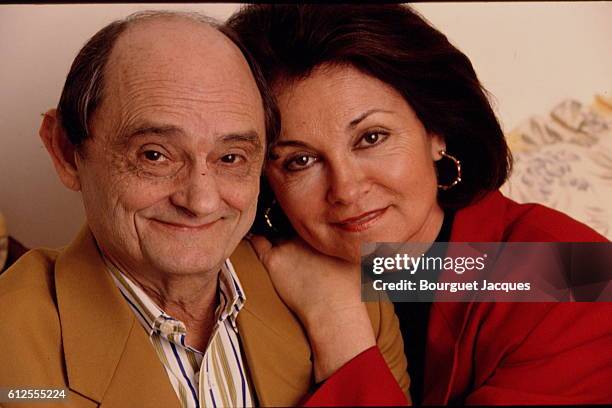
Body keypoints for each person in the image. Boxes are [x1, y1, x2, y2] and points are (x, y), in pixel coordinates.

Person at [0, 10, 409, 407]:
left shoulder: (364, 294)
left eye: (231, 158)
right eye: (155, 155)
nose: (201, 201)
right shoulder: (13, 356)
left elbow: (453, 271)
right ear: (67, 153)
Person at [226, 4, 612, 405]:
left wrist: (337, 325)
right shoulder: (243, 279)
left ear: (436, 131)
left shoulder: (571, 273)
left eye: (371, 138)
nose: (346, 189)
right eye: (300, 161)